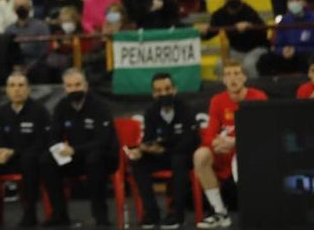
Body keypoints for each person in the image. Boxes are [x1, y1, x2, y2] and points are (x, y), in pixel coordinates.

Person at [193, 60, 267, 229]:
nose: (232, 78)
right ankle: (220, 212)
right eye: (228, 74)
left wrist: (235, 142)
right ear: (223, 80)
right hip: (224, 152)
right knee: (200, 155)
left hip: (248, 150)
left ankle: (257, 212)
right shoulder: (217, 101)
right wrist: (215, 142)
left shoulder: (258, 97)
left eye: (236, 74)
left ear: (244, 77)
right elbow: (209, 134)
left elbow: (262, 131)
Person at [41, 68, 118, 228]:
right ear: (64, 88)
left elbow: (103, 140)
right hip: (74, 157)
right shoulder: (61, 106)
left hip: (104, 157)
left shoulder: (100, 106)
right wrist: (59, 147)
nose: (74, 89)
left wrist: (74, 150)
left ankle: (100, 215)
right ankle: (59, 214)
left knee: (94, 159)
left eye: (77, 85)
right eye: (69, 86)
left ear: (86, 86)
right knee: (47, 161)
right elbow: (53, 136)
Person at [126, 73, 198, 230]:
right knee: (138, 162)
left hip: (183, 155)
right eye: (159, 90)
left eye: (167, 89)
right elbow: (148, 139)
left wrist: (164, 149)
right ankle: (151, 212)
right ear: (153, 94)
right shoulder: (151, 112)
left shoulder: (186, 109)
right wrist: (142, 149)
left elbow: (189, 141)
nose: (164, 93)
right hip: (161, 155)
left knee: (179, 160)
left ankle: (176, 214)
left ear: (174, 89)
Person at [0, 71, 50, 228]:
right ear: (6, 90)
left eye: (20, 85)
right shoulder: (1, 112)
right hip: (7, 159)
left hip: (31, 160)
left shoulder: (39, 111)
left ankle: (30, 213)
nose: (16, 89)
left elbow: (42, 142)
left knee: (29, 160)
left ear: (28, 89)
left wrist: (14, 152)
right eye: (12, 86)